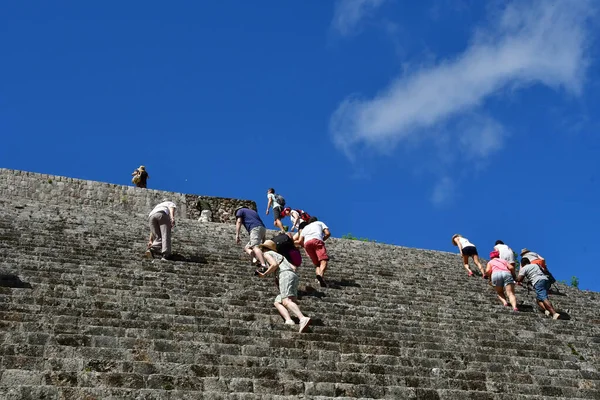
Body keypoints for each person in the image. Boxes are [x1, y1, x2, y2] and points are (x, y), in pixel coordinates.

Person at [257, 240, 311, 333]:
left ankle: (302, 318)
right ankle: (288, 320)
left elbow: (274, 264)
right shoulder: (281, 256)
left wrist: (265, 274)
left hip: (285, 275)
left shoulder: (267, 254)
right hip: (292, 276)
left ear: (264, 249)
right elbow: (294, 267)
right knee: (278, 301)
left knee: (286, 301)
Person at [295, 217, 330, 287]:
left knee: (317, 264)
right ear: (316, 220)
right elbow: (328, 233)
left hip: (307, 243)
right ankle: (320, 275)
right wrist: (322, 239)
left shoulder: (305, 227)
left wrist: (304, 246)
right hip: (317, 241)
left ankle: (319, 280)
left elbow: (299, 241)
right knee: (323, 260)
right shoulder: (319, 223)